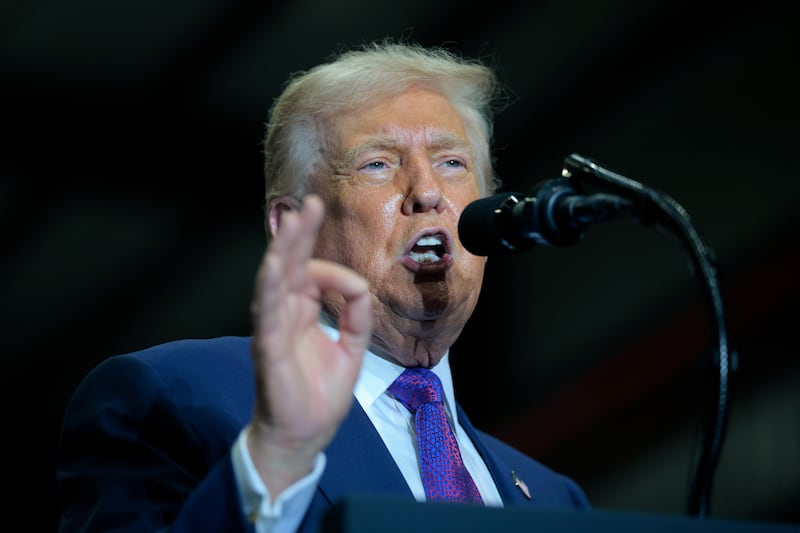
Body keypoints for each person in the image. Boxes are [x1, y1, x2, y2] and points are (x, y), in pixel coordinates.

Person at [57, 40, 590, 532]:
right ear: (292, 225)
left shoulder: (555, 501)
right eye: (378, 164)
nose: (428, 192)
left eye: (452, 163)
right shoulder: (169, 398)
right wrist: (276, 457)